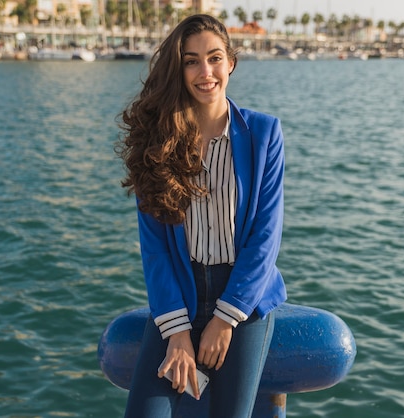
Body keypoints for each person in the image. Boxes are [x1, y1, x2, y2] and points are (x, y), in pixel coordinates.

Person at [116, 14, 287, 418]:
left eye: (214, 58)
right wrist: (176, 332)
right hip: (180, 293)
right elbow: (155, 249)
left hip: (245, 301)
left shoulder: (264, 134)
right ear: (179, 69)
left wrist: (225, 319)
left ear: (231, 63)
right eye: (191, 61)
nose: (204, 72)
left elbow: (265, 237)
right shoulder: (156, 142)